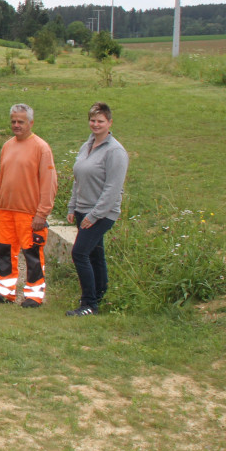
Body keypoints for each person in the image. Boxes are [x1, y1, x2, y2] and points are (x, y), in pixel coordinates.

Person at [0, 103, 57, 307]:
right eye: (13, 121)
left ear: (31, 123)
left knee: (32, 254)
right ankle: (5, 292)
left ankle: (34, 296)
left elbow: (49, 182)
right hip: (6, 210)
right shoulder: (8, 145)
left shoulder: (41, 148)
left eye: (21, 122)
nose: (16, 125)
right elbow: (3, 177)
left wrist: (42, 214)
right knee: (4, 253)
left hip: (29, 213)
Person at [65, 102, 129, 316]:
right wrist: (72, 206)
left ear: (109, 123)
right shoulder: (87, 145)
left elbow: (112, 189)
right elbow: (78, 179)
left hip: (102, 213)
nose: (95, 124)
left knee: (80, 253)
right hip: (83, 209)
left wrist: (94, 216)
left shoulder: (115, 152)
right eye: (92, 120)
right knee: (95, 254)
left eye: (100, 121)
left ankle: (89, 304)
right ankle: (100, 294)